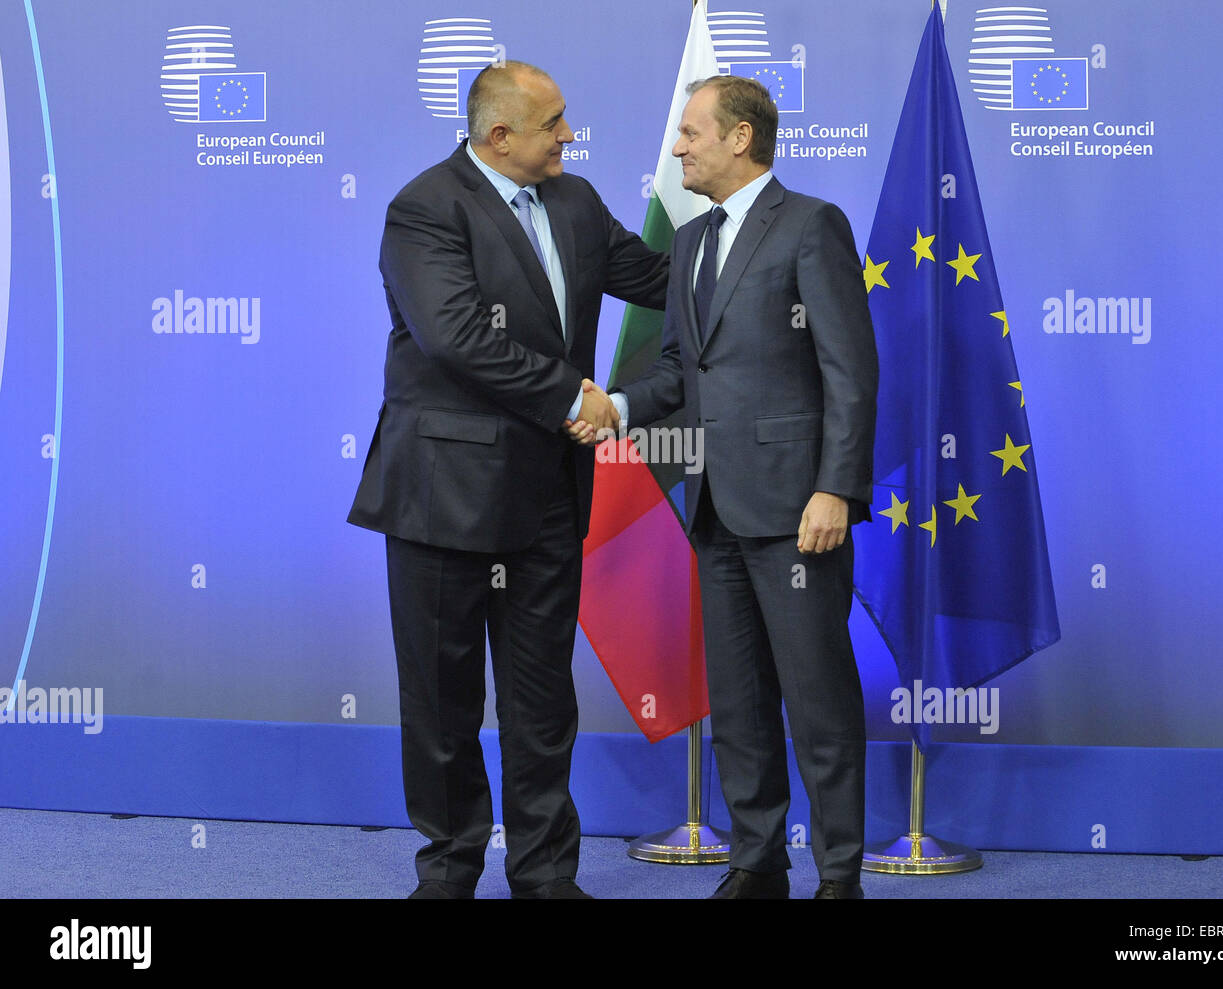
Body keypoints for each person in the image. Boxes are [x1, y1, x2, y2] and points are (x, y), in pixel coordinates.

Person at [348, 61, 668, 899]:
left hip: (548, 497)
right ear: (498, 137)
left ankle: (544, 875)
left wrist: (762, 245)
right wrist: (576, 397)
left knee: (541, 700)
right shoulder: (425, 208)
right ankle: (450, 869)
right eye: (554, 122)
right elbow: (456, 338)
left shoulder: (578, 200)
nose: (570, 134)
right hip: (441, 498)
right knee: (443, 700)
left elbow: (659, 281)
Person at [578, 75, 878, 898]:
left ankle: (840, 873)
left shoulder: (812, 225)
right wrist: (620, 408)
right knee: (739, 703)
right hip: (711, 507)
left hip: (795, 509)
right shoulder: (690, 244)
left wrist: (835, 490)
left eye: (690, 133)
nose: (677, 148)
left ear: (740, 138)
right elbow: (679, 368)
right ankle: (758, 859)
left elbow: (850, 372)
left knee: (817, 698)